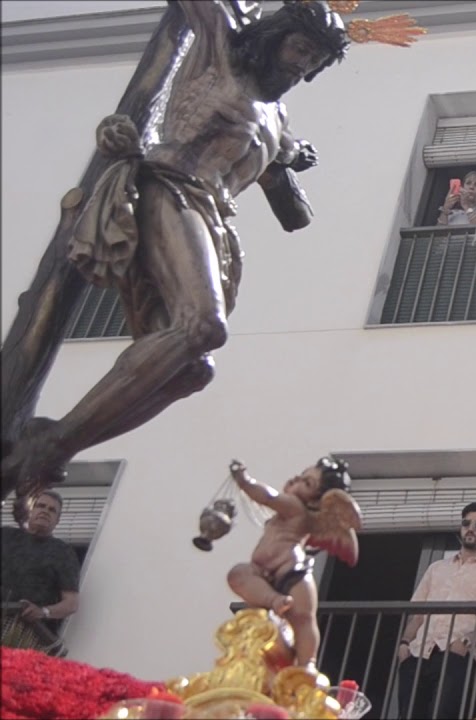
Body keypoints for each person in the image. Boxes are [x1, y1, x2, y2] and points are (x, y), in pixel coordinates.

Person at [1, 0, 351, 514]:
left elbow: (294, 212)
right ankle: (51, 444)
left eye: (315, 60)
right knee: (203, 326)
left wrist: (290, 158)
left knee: (193, 371)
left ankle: (58, 444)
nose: (302, 65)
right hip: (169, 187)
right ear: (275, 37)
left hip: (213, 219)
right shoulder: (221, 52)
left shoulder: (278, 120)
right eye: (300, 48)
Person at [226, 457, 362, 670]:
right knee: (239, 575)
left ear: (317, 501)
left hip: (290, 571)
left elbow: (268, 497)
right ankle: (275, 601)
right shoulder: (286, 514)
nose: (296, 481)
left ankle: (308, 663)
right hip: (262, 572)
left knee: (304, 619)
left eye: (307, 483)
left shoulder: (294, 507)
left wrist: (245, 481)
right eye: (300, 477)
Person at [397, 502, 476, 719]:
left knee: (443, 714)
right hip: (419, 651)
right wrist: (404, 644)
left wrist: (466, 641)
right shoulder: (436, 568)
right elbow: (418, 612)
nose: (471, 529)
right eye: (466, 523)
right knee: (408, 715)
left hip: (458, 655)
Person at [1, 490, 81, 654]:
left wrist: (43, 612)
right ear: (31, 511)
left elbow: (71, 603)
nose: (45, 511)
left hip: (27, 635)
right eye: (41, 506)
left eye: (52, 510)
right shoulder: (5, 535)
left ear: (57, 521)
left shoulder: (63, 553)